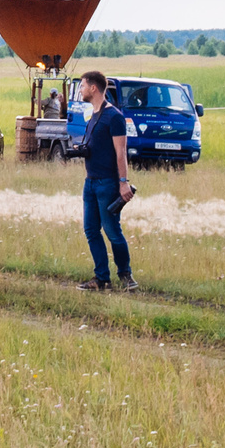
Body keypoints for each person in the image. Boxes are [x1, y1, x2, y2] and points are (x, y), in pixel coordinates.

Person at [75, 70, 137, 290]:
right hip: (90, 182)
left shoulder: (115, 117)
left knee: (112, 231)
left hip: (108, 183)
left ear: (94, 88)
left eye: (82, 86)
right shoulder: (94, 115)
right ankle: (102, 278)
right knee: (91, 230)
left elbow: (121, 152)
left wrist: (123, 182)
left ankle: (125, 274)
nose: (80, 90)